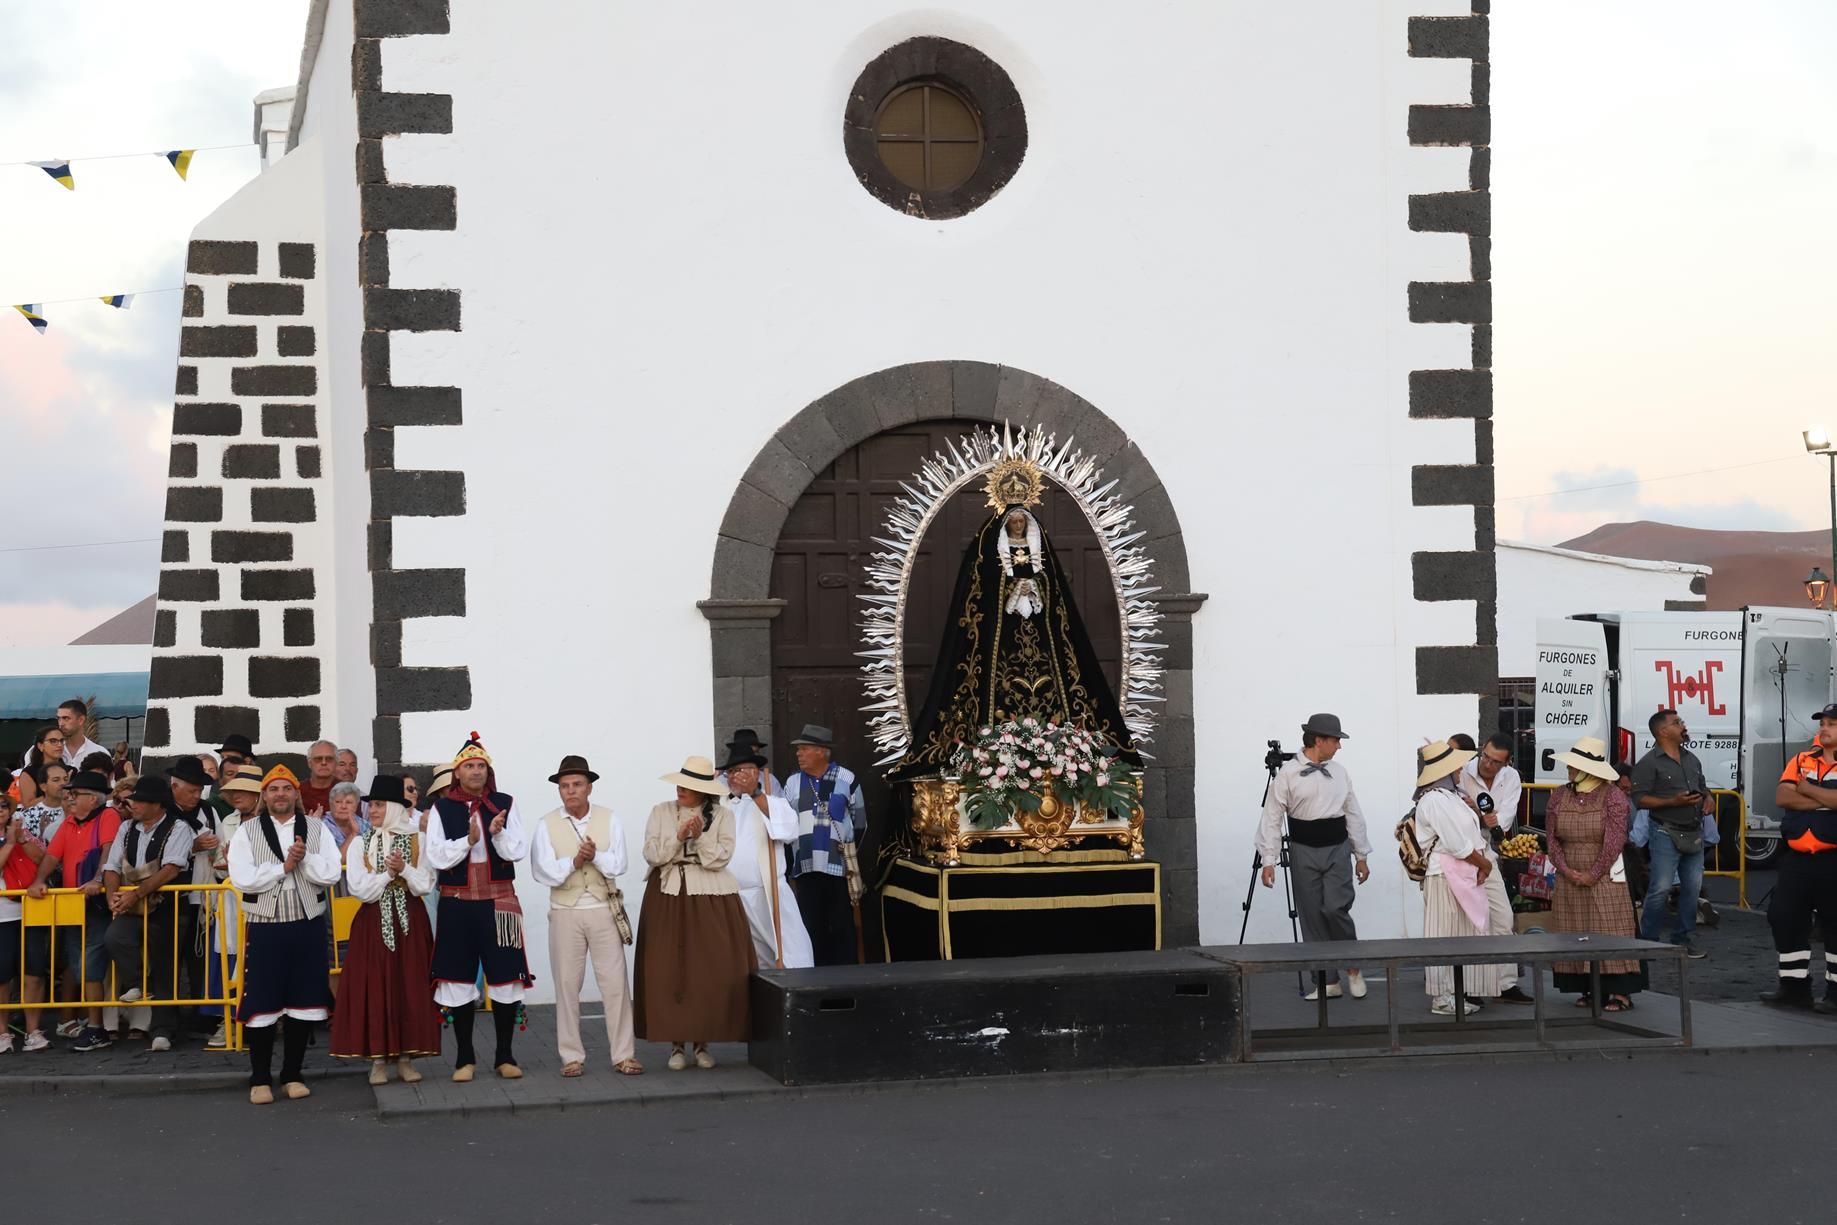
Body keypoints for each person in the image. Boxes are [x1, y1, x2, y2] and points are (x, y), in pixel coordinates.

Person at [888, 472, 1143, 779]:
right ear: (1006, 522)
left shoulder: (1040, 551)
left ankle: (1059, 753)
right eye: (1014, 522)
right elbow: (977, 595)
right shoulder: (987, 549)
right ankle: (990, 755)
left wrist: (1035, 588)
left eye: (1023, 522)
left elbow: (1056, 594)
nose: (1019, 526)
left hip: (1042, 642)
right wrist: (1009, 591)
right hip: (999, 644)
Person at [634, 756, 754, 1070]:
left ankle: (702, 1043)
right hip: (668, 893)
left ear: (703, 791)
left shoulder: (723, 816)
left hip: (710, 896)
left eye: (689, 786)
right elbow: (652, 854)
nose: (681, 790)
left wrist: (699, 838)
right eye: (680, 784)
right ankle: (676, 1045)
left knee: (707, 968)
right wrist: (679, 836)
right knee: (669, 967)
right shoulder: (661, 812)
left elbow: (721, 859)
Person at [228, 765, 339, 1104]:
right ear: (264, 795)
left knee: (303, 1001)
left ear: (296, 794)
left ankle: (293, 1073)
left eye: (286, 789)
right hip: (266, 927)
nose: (280, 794)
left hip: (306, 924)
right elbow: (242, 878)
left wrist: (303, 862)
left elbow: (332, 873)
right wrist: (283, 867)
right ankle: (259, 1076)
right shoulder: (247, 832)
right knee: (263, 1001)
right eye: (273, 789)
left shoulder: (317, 829)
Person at [425, 733, 532, 1082]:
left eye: (481, 766)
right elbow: (436, 855)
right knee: (457, 979)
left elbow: (516, 850)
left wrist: (497, 832)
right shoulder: (442, 809)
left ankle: (505, 1055)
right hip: (457, 905)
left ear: (489, 770)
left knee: (504, 978)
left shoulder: (504, 803)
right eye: (469, 766)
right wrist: (467, 841)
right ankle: (464, 1058)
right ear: (457, 773)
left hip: (498, 903)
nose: (476, 772)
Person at [528, 755, 642, 1078]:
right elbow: (542, 870)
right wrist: (574, 863)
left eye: (577, 785)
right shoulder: (546, 823)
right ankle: (571, 1056)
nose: (570, 791)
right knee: (566, 984)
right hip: (565, 911)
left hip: (602, 908)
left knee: (615, 983)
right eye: (565, 786)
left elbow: (619, 864)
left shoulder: (609, 818)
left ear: (589, 787)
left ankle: (624, 1054)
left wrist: (596, 857)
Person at [330, 776, 440, 1083]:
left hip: (410, 921)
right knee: (376, 986)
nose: (373, 811)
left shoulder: (419, 840)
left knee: (409, 985)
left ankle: (406, 1058)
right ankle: (378, 1059)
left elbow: (425, 885)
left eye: (378, 804)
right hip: (374, 920)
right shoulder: (361, 844)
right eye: (372, 805)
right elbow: (360, 890)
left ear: (393, 807)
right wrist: (387, 875)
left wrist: (403, 869)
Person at [1256, 713, 1372, 999]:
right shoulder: (1287, 775)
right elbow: (1271, 817)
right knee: (1311, 916)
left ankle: (1353, 967)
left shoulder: (1341, 772)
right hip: (1303, 850)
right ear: (1319, 740)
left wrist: (1361, 854)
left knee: (1335, 908)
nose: (1339, 746)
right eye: (1335, 740)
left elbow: (1353, 811)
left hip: (1336, 847)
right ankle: (1326, 981)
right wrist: (1268, 860)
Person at [1412, 740, 1515, 1015]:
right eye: (1455, 767)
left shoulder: (1451, 796)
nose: (1460, 771)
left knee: (1458, 935)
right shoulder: (1435, 799)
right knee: (1441, 936)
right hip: (1443, 875)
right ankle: (1441, 997)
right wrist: (1483, 863)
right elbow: (1457, 843)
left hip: (1459, 874)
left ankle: (1455, 992)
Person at [1545, 737, 1645, 1012]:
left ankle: (1619, 991)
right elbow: (1552, 839)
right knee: (1576, 927)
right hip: (1570, 869)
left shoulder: (1613, 796)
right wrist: (1566, 869)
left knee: (1610, 926)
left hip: (1606, 869)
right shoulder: (1559, 796)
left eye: (1574, 767)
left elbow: (1614, 840)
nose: (1569, 771)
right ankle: (1589, 988)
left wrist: (1593, 872)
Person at [28, 771, 121, 1051]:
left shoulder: (108, 817)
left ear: (93, 799)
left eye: (75, 793)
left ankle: (96, 1028)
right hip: (73, 902)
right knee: (80, 964)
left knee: (90, 964)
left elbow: (109, 851)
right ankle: (94, 1025)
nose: (69, 797)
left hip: (95, 904)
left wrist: (97, 880)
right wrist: (38, 881)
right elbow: (53, 856)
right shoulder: (70, 822)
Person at [101, 775, 194, 1051]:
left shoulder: (179, 828)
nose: (133, 805)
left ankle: (163, 1030)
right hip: (132, 906)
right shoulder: (126, 829)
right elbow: (111, 866)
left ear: (158, 804)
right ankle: (141, 982)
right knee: (115, 938)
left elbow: (171, 869)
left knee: (167, 964)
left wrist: (134, 894)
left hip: (169, 907)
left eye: (140, 801)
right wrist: (112, 897)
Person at [1762, 704, 1837, 1013]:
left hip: (1833, 859)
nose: (1824, 728)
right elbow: (1782, 796)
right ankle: (1794, 988)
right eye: (1823, 723)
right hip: (1797, 859)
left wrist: (1805, 790)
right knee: (1784, 916)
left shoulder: (1803, 774)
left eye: (1832, 723)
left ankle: (1835, 994)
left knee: (1835, 923)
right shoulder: (1801, 759)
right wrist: (1824, 802)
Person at [718, 736, 813, 971]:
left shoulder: (771, 802)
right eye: (729, 772)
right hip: (734, 898)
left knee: (791, 954)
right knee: (749, 961)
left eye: (739, 771)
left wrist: (756, 794)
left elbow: (790, 830)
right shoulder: (722, 806)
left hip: (768, 894)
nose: (733, 777)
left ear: (754, 773)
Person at [779, 725, 866, 966]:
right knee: (809, 926)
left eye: (804, 749)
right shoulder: (793, 782)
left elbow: (860, 822)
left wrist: (847, 849)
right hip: (805, 868)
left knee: (841, 926)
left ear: (821, 751)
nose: (799, 754)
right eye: (799, 750)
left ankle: (846, 976)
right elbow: (786, 823)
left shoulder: (847, 779)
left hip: (838, 869)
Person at [1632, 709, 1712, 959]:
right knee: (1661, 888)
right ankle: (1649, 942)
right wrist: (1673, 802)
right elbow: (1639, 800)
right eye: (1678, 723)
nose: (1683, 726)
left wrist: (1708, 799)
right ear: (1663, 732)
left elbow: (1703, 787)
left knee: (1691, 888)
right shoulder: (1648, 763)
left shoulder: (1691, 759)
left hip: (1693, 830)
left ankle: (1682, 939)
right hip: (1665, 830)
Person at [202, 763, 264, 1049]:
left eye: (244, 790)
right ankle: (227, 1021)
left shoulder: (269, 822)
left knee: (258, 961)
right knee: (229, 960)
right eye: (235, 790)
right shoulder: (228, 822)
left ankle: (260, 1020)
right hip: (230, 899)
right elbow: (218, 863)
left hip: (261, 900)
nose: (237, 795)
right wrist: (225, 862)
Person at [166, 755, 224, 1033]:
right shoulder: (162, 811)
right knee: (170, 958)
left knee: (200, 956)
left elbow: (222, 847)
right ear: (175, 786)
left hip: (202, 895)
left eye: (199, 789)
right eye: (192, 790)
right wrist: (192, 847)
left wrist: (215, 852)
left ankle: (204, 1011)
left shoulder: (209, 812)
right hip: (169, 896)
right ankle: (170, 1017)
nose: (196, 795)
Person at [0, 791, 49, 1051]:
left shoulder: (22, 832)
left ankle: (33, 1030)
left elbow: (43, 860)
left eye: (3, 805)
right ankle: (2, 1033)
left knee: (34, 972)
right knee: (2, 977)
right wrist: (8, 844)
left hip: (31, 912)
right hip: (2, 917)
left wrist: (20, 839)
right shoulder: (8, 839)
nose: (0, 810)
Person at [1462, 733, 1522, 834]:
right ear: (1483, 748)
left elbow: (1507, 817)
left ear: (1507, 762)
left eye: (1496, 762)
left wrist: (1482, 817)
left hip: (1495, 841)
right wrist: (1482, 819)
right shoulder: (1463, 772)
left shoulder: (1512, 776)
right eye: (1485, 756)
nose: (1487, 765)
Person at [56, 700, 107, 769]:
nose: (61, 724)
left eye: (66, 718)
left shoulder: (98, 752)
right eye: (59, 719)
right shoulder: (52, 751)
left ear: (81, 720)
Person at [299, 741, 337, 817]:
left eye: (329, 759)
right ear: (309, 763)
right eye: (318, 759)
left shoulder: (347, 790)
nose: (324, 762)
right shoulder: (297, 791)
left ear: (336, 763)